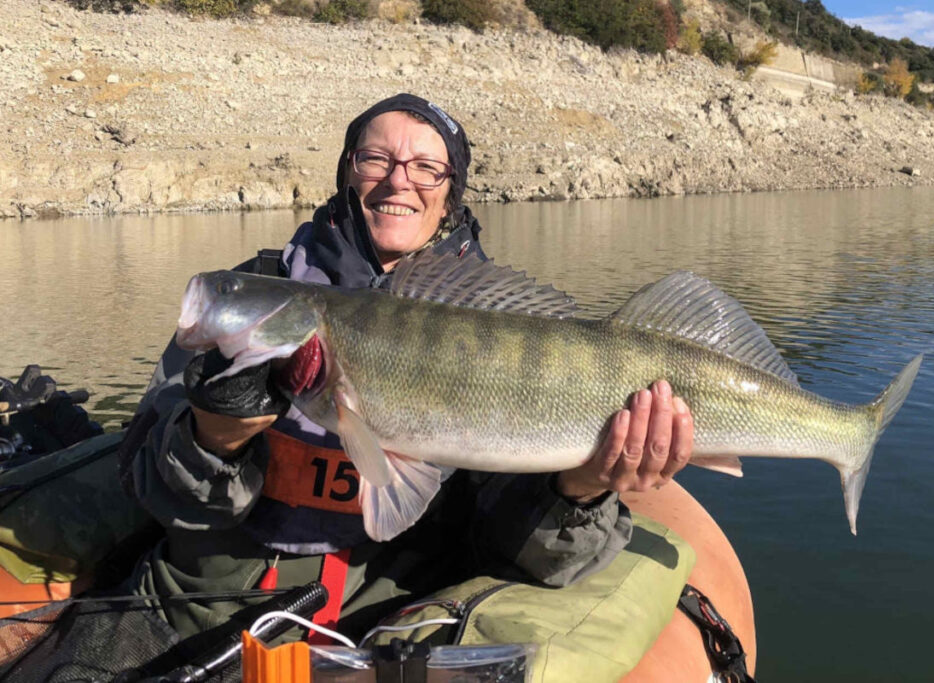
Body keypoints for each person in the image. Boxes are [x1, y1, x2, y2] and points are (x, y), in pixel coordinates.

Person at [122, 94, 694, 650]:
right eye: (376, 160)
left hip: (392, 621)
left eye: (427, 167)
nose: (399, 181)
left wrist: (583, 488)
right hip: (214, 612)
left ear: (450, 193)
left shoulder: (487, 323)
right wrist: (216, 436)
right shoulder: (254, 300)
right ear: (347, 172)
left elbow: (522, 551)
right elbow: (148, 488)